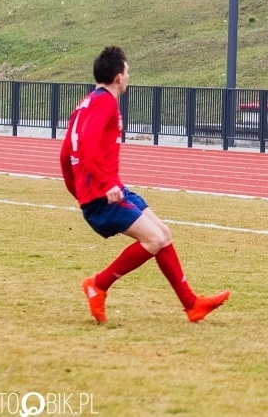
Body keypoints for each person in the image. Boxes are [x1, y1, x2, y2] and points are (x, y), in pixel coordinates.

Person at [60, 46, 230, 323]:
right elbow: (87, 144)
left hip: (106, 189)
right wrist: (100, 186)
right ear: (118, 77)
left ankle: (192, 304)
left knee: (163, 233)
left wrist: (78, 190)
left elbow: (65, 152)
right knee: (152, 239)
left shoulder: (86, 102)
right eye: (127, 72)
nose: (129, 77)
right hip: (104, 193)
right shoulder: (105, 103)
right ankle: (98, 284)